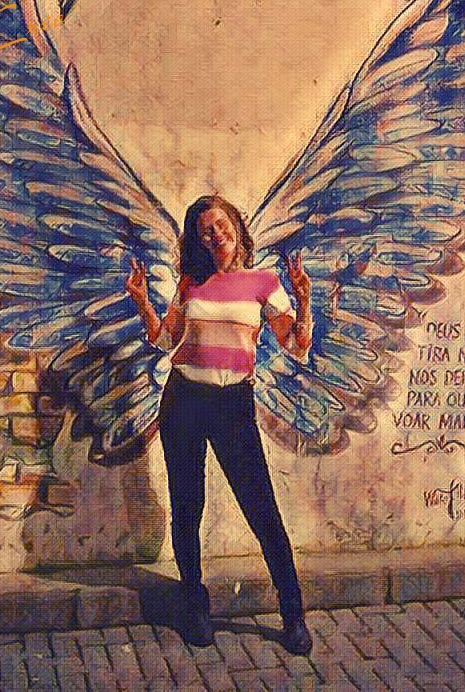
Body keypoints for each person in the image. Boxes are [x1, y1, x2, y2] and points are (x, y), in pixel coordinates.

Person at [125, 195, 313, 655]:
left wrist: (304, 300)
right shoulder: (192, 282)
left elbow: (295, 345)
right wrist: (142, 302)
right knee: (187, 506)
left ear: (236, 226)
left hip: (233, 405)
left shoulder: (264, 282)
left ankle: (293, 613)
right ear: (199, 240)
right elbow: (166, 339)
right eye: (205, 230)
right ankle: (194, 604)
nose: (216, 234)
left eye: (221, 224)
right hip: (183, 401)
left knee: (262, 509)